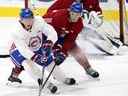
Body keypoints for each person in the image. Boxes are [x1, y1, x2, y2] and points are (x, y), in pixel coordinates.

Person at [8, 8, 76, 94]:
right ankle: (46, 84)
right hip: (19, 50)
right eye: (26, 20)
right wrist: (34, 57)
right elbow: (23, 49)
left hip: (36, 45)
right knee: (29, 65)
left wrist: (49, 41)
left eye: (30, 19)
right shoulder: (16, 31)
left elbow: (51, 32)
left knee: (48, 61)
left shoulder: (39, 21)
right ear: (21, 20)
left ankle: (63, 78)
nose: (29, 22)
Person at [43, 2, 99, 78]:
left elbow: (70, 40)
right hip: (45, 31)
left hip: (60, 33)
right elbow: (53, 35)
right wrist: (57, 50)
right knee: (44, 51)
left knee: (75, 49)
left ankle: (88, 68)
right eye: (73, 14)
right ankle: (56, 73)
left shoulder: (79, 24)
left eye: (78, 15)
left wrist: (63, 52)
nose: (75, 17)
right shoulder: (60, 17)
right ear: (70, 11)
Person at [46, 0, 123, 55]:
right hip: (61, 23)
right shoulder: (65, 1)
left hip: (76, 24)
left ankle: (111, 45)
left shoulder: (92, 1)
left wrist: (98, 19)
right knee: (85, 29)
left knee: (89, 30)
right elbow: (51, 13)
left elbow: (99, 15)